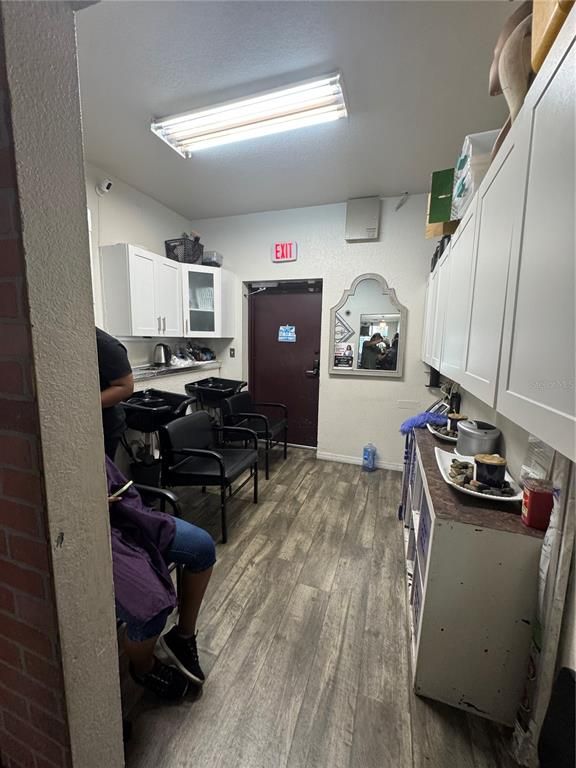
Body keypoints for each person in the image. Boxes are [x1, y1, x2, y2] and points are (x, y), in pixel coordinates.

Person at [107, 457, 215, 700]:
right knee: (151, 611)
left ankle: (182, 637)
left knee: (202, 548)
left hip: (123, 509)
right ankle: (144, 668)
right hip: (93, 532)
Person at [96, 327, 134, 459]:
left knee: (103, 472)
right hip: (89, 421)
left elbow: (126, 387)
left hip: (106, 425)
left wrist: (85, 406)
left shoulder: (107, 346)